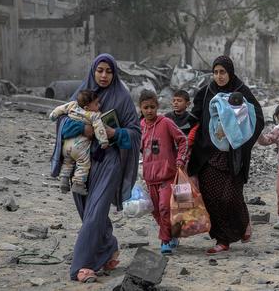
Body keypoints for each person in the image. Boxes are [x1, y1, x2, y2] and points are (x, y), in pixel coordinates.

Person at [51, 54, 141, 283]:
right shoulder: (81, 94)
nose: (103, 75)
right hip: (80, 162)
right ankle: (109, 246)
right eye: (99, 70)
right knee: (86, 211)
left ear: (114, 74)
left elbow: (135, 133)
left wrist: (114, 134)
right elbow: (62, 121)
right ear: (93, 71)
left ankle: (82, 266)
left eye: (108, 71)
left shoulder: (122, 98)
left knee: (95, 213)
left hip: (108, 162)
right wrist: (85, 128)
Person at [187, 56, 264, 254]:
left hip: (233, 156)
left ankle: (243, 221)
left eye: (223, 72)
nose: (219, 76)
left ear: (230, 73)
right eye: (216, 72)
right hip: (209, 155)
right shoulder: (206, 93)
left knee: (230, 197)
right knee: (212, 199)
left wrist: (243, 143)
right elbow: (194, 120)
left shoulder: (241, 92)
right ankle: (222, 240)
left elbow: (257, 119)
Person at [139, 90, 188, 254]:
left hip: (167, 175)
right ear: (141, 108)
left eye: (152, 107)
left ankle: (165, 241)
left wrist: (180, 159)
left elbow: (182, 140)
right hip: (149, 177)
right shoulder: (141, 127)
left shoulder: (166, 122)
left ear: (157, 107)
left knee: (165, 207)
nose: (149, 111)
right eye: (146, 107)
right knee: (155, 210)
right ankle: (172, 234)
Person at [49, 89, 109, 195]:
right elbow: (99, 128)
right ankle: (78, 184)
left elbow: (60, 109)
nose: (99, 105)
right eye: (96, 104)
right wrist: (103, 141)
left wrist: (53, 115)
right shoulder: (93, 115)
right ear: (86, 108)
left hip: (66, 145)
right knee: (83, 164)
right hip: (80, 147)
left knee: (67, 162)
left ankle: (63, 180)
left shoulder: (72, 105)